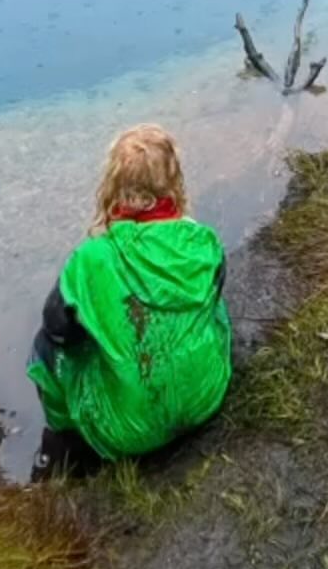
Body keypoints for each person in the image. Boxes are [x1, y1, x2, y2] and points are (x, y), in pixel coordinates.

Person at [28, 123, 231, 476]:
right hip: (206, 399)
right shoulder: (204, 242)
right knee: (213, 307)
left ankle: (63, 441)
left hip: (127, 433)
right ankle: (188, 382)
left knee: (43, 348)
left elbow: (58, 331)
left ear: (112, 187)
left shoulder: (91, 260)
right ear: (173, 183)